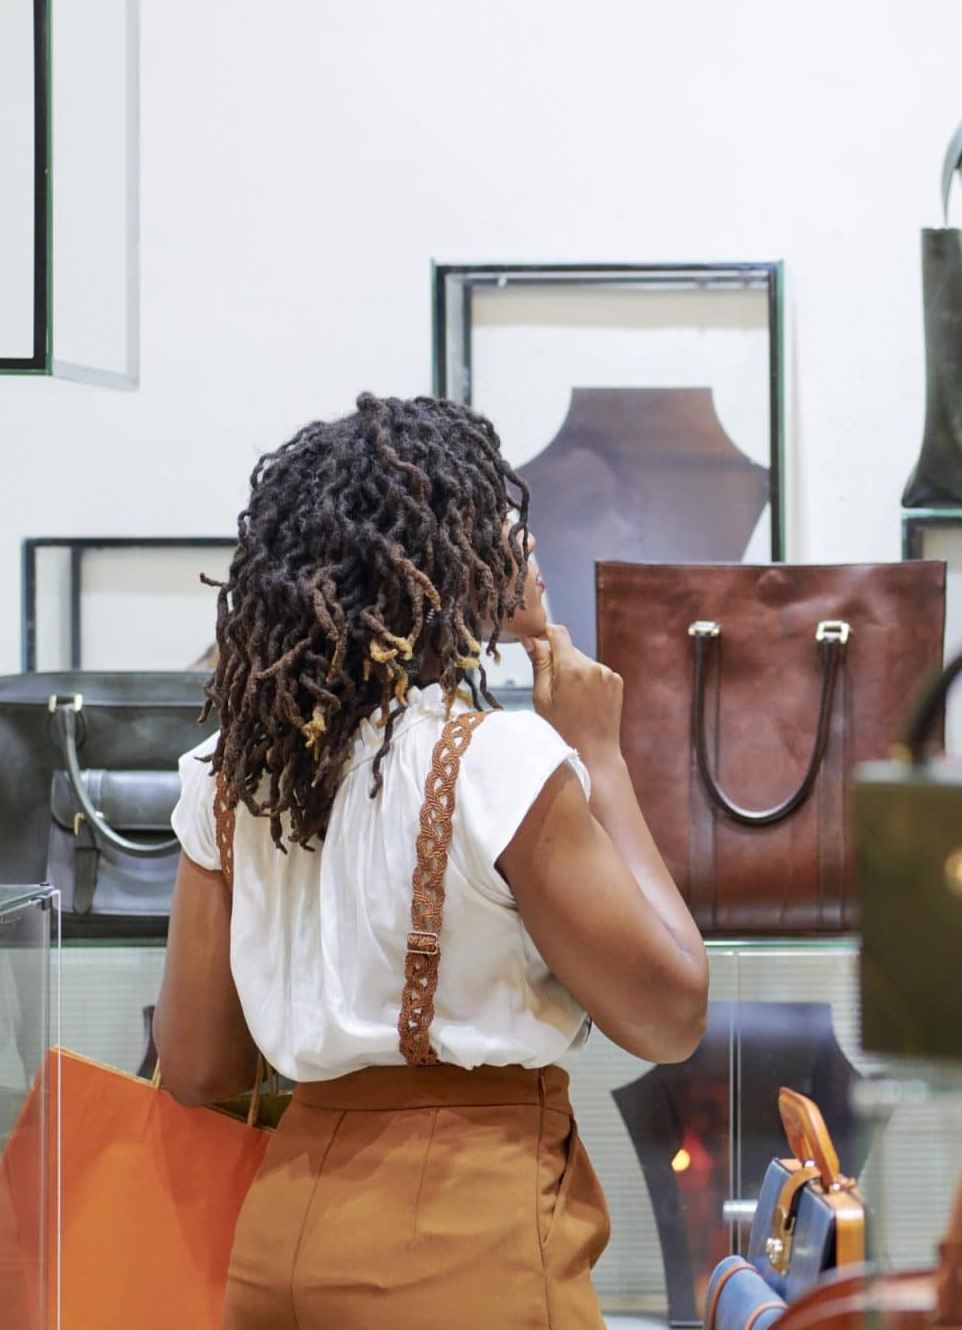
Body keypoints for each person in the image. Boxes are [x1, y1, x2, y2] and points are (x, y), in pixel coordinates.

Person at [154, 393, 709, 1329]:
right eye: (496, 520)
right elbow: (669, 1012)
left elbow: (200, 1069)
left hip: (275, 1238)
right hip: (463, 1238)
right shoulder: (497, 761)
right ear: (439, 562)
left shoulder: (231, 774)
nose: (524, 546)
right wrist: (603, 760)